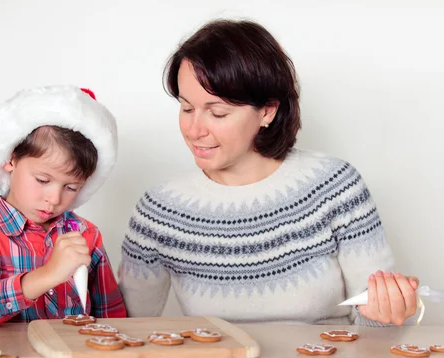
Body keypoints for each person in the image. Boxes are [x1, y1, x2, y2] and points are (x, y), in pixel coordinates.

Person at [118, 19, 418, 326]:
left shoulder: (335, 187)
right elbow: (125, 330)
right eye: (186, 108)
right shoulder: (160, 211)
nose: (195, 130)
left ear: (267, 111)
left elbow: (378, 326)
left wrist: (385, 314)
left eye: (217, 112)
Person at [0, 86, 127, 328]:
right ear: (11, 159)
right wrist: (49, 275)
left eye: (71, 187)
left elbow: (113, 319)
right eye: (43, 180)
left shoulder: (87, 236)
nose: (54, 199)